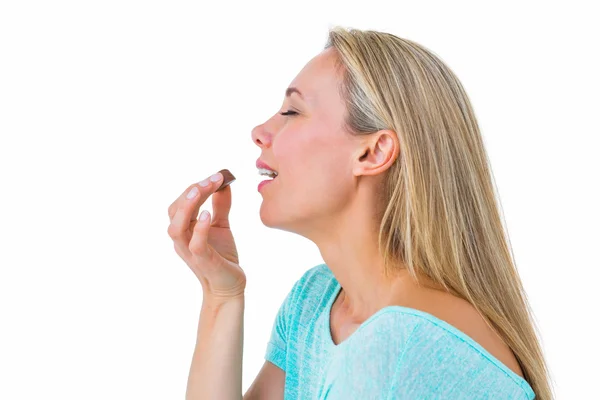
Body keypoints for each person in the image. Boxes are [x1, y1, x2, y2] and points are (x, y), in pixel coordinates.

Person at [167, 27, 554, 399]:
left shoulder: (401, 343)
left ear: (373, 153)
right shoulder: (316, 301)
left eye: (292, 111)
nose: (259, 131)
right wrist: (221, 293)